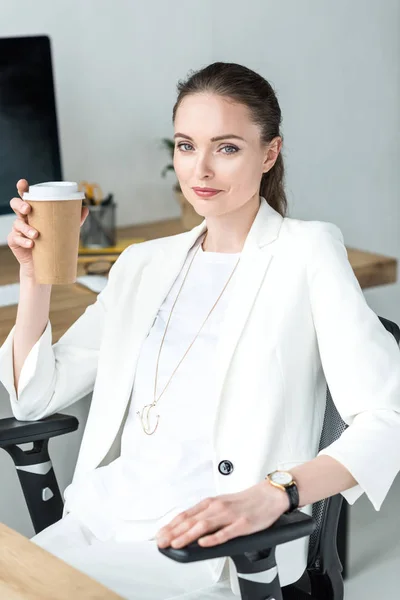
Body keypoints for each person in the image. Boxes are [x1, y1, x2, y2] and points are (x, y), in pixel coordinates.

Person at [1, 61, 400, 599]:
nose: (201, 170)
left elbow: (387, 419)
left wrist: (276, 493)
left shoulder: (306, 252)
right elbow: (33, 399)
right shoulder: (144, 263)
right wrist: (34, 278)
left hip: (209, 545)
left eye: (227, 147)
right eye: (187, 146)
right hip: (100, 518)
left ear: (270, 153)